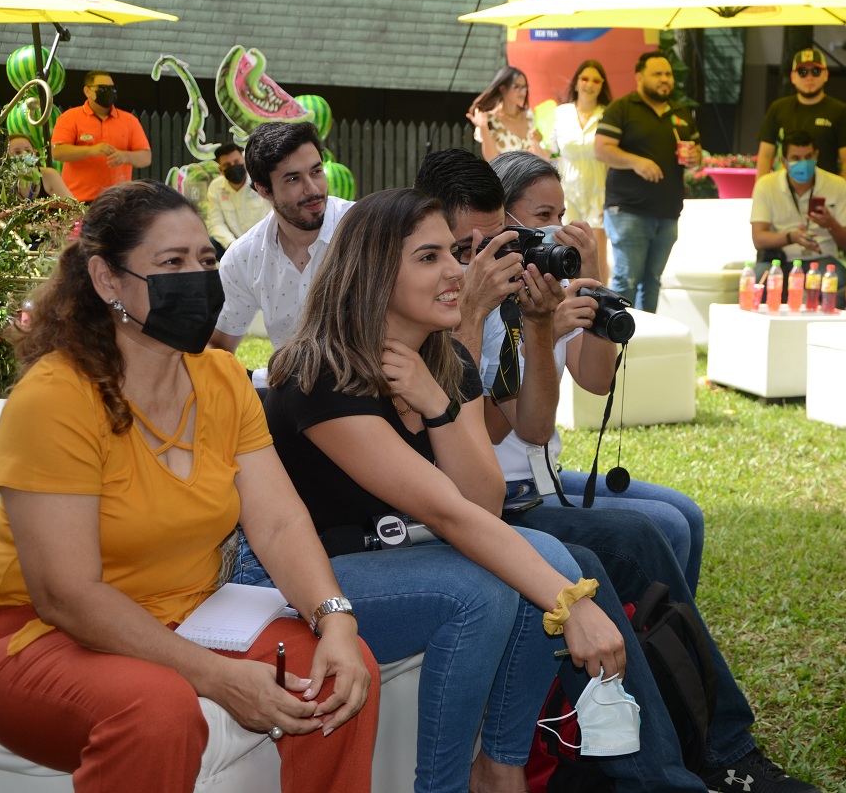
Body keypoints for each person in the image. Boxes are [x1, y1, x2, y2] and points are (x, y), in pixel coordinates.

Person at [413, 150, 821, 793]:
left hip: (513, 491)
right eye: (461, 249)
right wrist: (471, 317)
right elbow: (474, 474)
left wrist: (539, 325)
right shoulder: (419, 302)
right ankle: (664, 774)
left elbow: (538, 423)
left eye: (494, 245)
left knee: (651, 531)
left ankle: (722, 748)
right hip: (465, 508)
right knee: (598, 557)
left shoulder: (505, 296)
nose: (482, 261)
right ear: (422, 237)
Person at [0, 180, 378, 793]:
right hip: (39, 636)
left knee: (342, 669)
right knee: (156, 711)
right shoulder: (55, 398)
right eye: (172, 263)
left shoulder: (224, 379)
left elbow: (279, 522)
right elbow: (67, 596)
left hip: (195, 615)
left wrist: (334, 619)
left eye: (206, 260)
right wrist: (212, 675)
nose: (198, 278)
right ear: (106, 280)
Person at [236, 188, 626, 793]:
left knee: (551, 556)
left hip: (394, 556)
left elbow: (484, 505)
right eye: (428, 257)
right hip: (303, 579)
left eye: (453, 252)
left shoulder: (443, 363)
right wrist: (574, 605)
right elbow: (448, 513)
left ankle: (499, 766)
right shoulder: (321, 373)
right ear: (372, 275)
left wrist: (437, 406)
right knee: (479, 591)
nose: (456, 271)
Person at [415, 146, 704, 592]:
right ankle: (663, 647)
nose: (557, 228)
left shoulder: (538, 290)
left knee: (684, 514)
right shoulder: (461, 298)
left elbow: (597, 380)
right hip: (508, 485)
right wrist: (535, 330)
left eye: (562, 213)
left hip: (542, 471)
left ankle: (667, 644)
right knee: (659, 528)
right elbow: (500, 428)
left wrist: (589, 283)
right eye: (544, 213)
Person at [209, 122, 353, 353]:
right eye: (293, 179)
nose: (313, 189)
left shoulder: (364, 230)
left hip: (370, 383)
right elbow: (219, 346)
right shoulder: (243, 257)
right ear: (264, 190)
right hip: (290, 384)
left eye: (316, 171)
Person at [595, 50, 701, 313]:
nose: (665, 79)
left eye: (668, 74)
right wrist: (636, 162)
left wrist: (695, 158)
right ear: (640, 78)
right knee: (627, 278)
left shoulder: (682, 112)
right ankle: (615, 340)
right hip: (628, 210)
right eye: (658, 74)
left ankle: (645, 340)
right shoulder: (622, 108)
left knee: (652, 281)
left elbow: (696, 155)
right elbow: (601, 149)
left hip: (667, 212)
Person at [750, 129, 846, 306]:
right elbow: (759, 239)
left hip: (822, 259)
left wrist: (831, 225)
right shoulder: (766, 185)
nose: (803, 163)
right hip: (779, 259)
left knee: (835, 280)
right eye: (796, 158)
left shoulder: (837, 185)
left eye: (808, 156)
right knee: (759, 278)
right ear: (784, 161)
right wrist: (791, 237)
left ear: (816, 155)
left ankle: (822, 331)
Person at [548, 59, 612, 283]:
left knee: (598, 257)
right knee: (568, 256)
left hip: (599, 191)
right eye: (585, 78)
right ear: (576, 83)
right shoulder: (561, 113)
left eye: (596, 80)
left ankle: (600, 307)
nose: (590, 84)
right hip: (566, 192)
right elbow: (550, 151)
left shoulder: (608, 114)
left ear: (602, 85)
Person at [755, 49, 846, 190]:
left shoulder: (841, 112)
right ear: (793, 77)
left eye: (815, 71)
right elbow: (765, 155)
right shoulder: (778, 108)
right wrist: (761, 192)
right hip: (784, 194)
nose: (809, 77)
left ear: (826, 75)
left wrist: (842, 195)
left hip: (824, 194)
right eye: (802, 72)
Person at [51, 71, 152, 202]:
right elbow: (57, 152)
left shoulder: (129, 120)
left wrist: (125, 156)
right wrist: (91, 150)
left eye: (112, 88)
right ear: (87, 91)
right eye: (103, 88)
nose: (109, 92)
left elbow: (146, 158)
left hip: (117, 202)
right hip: (77, 201)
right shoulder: (70, 117)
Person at [202, 141, 271, 259]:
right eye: (227, 165)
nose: (233, 166)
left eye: (236, 162)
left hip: (264, 244)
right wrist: (233, 246)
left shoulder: (260, 181)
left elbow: (273, 216)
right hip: (231, 246)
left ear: (244, 161)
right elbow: (215, 223)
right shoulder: (216, 187)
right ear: (221, 170)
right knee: (208, 245)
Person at [467, 66, 549, 162]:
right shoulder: (490, 120)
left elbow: (542, 159)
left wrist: (537, 141)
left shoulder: (529, 115)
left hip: (527, 176)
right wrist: (483, 127)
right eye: (516, 87)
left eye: (524, 87)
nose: (522, 91)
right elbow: (492, 160)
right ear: (502, 89)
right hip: (503, 176)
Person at [6, 134, 75, 200]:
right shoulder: (3, 181)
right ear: (6, 158)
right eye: (17, 152)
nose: (24, 155)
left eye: (28, 151)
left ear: (35, 153)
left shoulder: (49, 175)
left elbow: (75, 208)